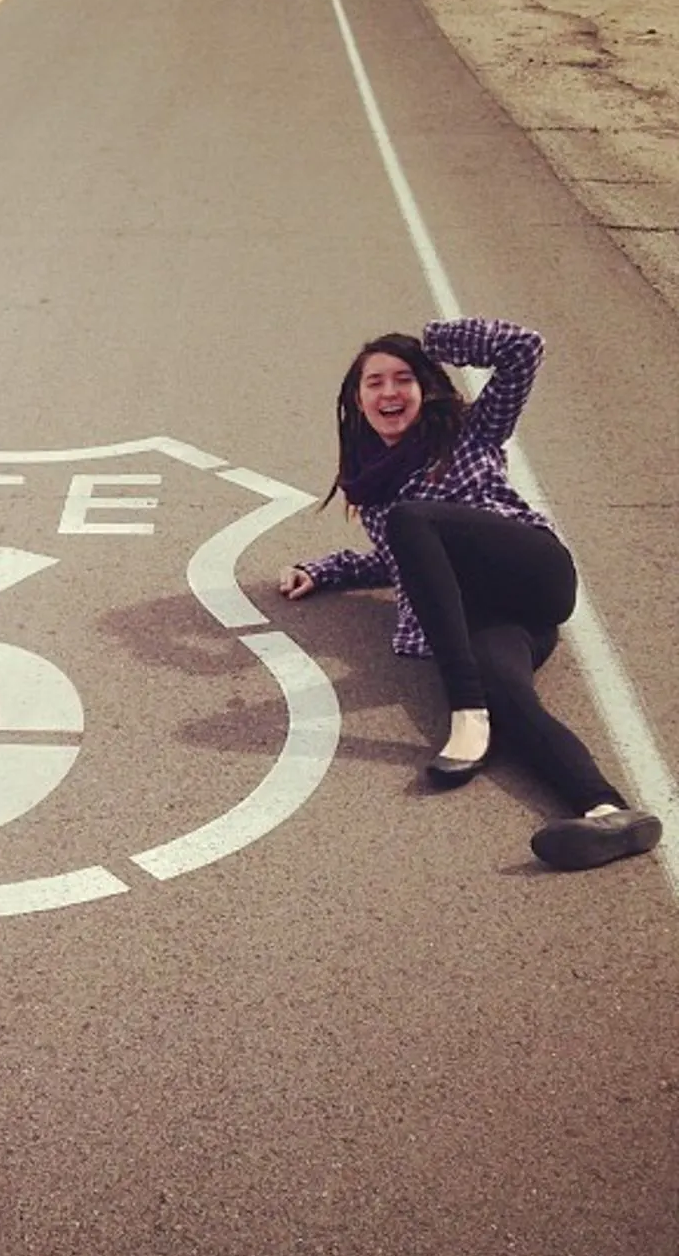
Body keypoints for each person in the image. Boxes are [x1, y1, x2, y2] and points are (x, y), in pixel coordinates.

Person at [278, 315, 662, 871]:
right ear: (357, 401)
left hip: (534, 573)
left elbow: (524, 348)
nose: (389, 392)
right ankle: (606, 811)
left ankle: (465, 708)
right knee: (509, 696)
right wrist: (324, 570)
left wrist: (434, 342)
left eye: (403, 378)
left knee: (413, 520)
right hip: (493, 618)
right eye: (374, 382)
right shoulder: (377, 492)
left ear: (425, 388)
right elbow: (399, 560)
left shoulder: (471, 431)